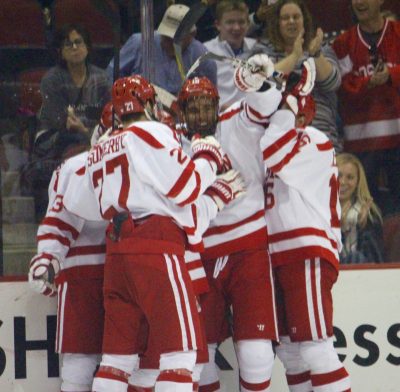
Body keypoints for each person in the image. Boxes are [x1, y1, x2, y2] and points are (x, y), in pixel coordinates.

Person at [61, 74, 244, 392]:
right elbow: (186, 187)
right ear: (147, 103)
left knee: (117, 361)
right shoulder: (153, 131)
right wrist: (207, 157)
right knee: (181, 355)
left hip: (117, 253)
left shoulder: (102, 146)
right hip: (156, 248)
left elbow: (81, 204)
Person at [176, 58, 282, 392]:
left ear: (218, 106)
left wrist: (255, 82)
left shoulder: (237, 121)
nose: (200, 115)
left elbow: (267, 104)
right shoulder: (170, 143)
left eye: (207, 107)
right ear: (181, 112)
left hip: (247, 247)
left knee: (256, 351)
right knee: (196, 353)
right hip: (199, 254)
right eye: (192, 108)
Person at [261, 67, 351, 391]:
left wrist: (289, 100)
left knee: (316, 348)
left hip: (306, 252)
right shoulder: (271, 145)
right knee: (291, 353)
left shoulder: (314, 141)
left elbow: (273, 149)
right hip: (279, 256)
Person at [28, 147, 108, 392]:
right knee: (127, 359)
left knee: (84, 360)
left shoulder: (71, 166)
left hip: (86, 270)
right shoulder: (143, 152)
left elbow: (59, 217)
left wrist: (49, 258)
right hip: (123, 268)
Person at [332, 0, 400, 215]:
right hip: (362, 144)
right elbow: (340, 87)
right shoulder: (342, 43)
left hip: (398, 138)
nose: (359, 2)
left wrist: (392, 74)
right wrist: (367, 82)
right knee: (365, 211)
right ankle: (367, 250)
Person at [258, 0, 342, 151]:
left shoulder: (321, 47)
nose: (291, 21)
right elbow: (260, 83)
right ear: (277, 23)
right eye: (285, 18)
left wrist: (315, 54)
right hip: (279, 142)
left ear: (305, 20)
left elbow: (333, 82)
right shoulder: (263, 50)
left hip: (321, 136)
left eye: (296, 17)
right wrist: (295, 55)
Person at [106, 3, 217, 96]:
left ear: (192, 35)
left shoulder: (203, 58)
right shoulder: (139, 42)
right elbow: (110, 75)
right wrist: (125, 95)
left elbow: (211, 95)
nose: (171, 42)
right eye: (167, 36)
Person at [39, 23, 111, 144]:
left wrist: (85, 131)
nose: (74, 47)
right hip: (59, 142)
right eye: (68, 44)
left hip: (96, 139)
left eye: (78, 42)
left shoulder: (101, 78)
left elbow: (108, 117)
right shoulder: (51, 80)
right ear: (60, 52)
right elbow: (57, 122)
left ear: (87, 47)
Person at [203, 0, 259, 109]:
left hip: (253, 117)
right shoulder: (205, 51)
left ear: (248, 24)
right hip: (219, 118)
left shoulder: (256, 48)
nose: (237, 28)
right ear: (218, 25)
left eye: (241, 22)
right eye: (230, 22)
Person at [337, 152, 384, 264]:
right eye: (338, 176)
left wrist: (362, 227)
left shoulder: (370, 213)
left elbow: (375, 258)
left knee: (356, 257)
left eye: (350, 177)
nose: (343, 182)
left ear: (358, 182)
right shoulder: (320, 212)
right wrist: (338, 228)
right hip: (330, 273)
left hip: (364, 276)